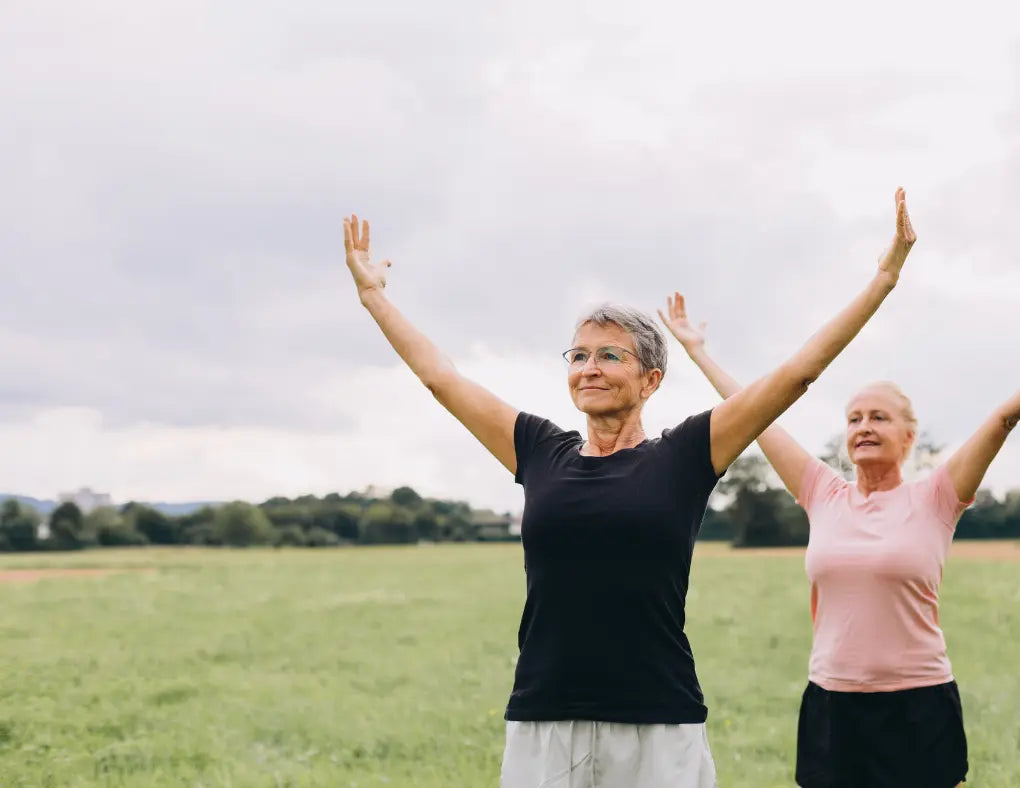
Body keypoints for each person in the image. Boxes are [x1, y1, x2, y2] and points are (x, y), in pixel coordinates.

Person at [339, 188, 919, 788]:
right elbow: (441, 378)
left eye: (609, 355)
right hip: (546, 716)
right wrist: (374, 296)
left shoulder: (687, 454)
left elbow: (797, 374)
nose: (588, 368)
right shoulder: (539, 449)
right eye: (578, 355)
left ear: (651, 379)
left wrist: (883, 279)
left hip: (657, 720)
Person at [659, 277, 1020, 788]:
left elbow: (1004, 418)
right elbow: (757, 416)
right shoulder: (822, 492)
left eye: (879, 417)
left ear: (909, 436)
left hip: (918, 703)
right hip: (832, 702)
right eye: (854, 419)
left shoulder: (937, 496)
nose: (864, 427)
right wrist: (699, 352)